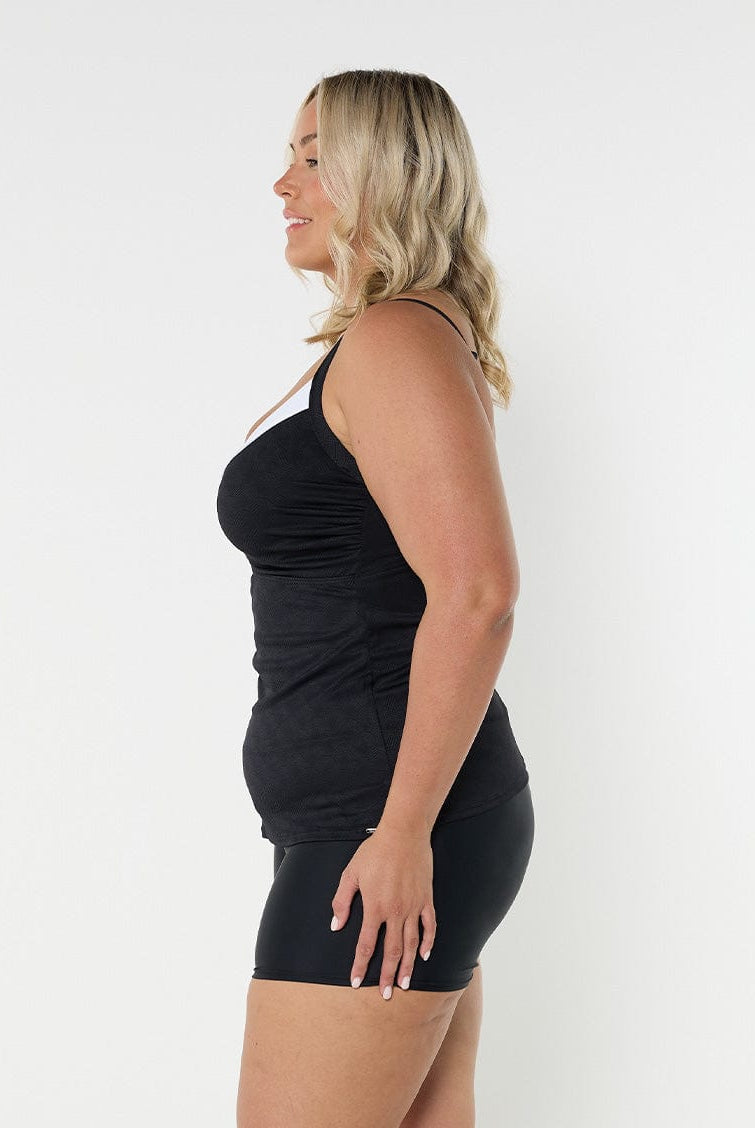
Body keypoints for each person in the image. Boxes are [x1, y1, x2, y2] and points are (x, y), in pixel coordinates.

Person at [216, 68, 536, 1128]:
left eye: (313, 156)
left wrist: (401, 835)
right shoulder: (395, 338)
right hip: (378, 822)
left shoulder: (397, 336)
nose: (282, 182)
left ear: (386, 173)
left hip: (384, 830)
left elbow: (478, 591)